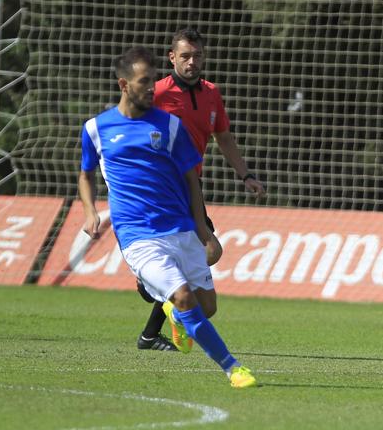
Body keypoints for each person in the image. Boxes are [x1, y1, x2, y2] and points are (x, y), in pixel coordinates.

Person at [78, 46, 258, 389]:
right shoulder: (96, 129)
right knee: (184, 296)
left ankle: (174, 314)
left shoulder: (170, 127)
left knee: (206, 306)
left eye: (152, 80)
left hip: (179, 227)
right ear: (123, 84)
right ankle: (233, 368)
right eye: (144, 81)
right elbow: (86, 174)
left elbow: (192, 179)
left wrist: (202, 227)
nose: (151, 88)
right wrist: (89, 211)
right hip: (137, 235)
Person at [133, 27, 265, 351]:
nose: (192, 62)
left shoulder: (211, 93)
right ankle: (155, 292)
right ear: (172, 57)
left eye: (197, 56)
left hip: (192, 185)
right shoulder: (157, 93)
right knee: (208, 251)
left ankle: (154, 316)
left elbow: (223, 137)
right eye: (185, 56)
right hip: (161, 186)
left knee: (206, 260)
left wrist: (245, 174)